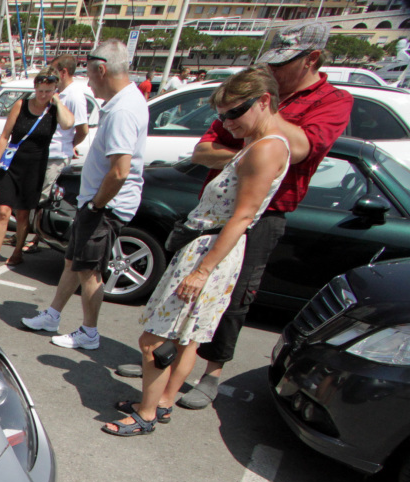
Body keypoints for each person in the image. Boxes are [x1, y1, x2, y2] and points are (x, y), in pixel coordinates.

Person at [117, 23, 353, 409]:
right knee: (186, 319)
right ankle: (159, 392)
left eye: (284, 62)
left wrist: (256, 147)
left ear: (311, 59)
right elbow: (204, 149)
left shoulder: (325, 103)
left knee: (226, 304)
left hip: (250, 220)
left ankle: (204, 376)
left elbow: (303, 149)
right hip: (216, 221)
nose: (230, 123)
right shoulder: (252, 118)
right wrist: (246, 149)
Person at [103, 68, 293, 436]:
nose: (227, 123)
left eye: (235, 112)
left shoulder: (267, 147)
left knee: (154, 340)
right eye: (222, 115)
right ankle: (161, 403)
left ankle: (144, 414)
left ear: (265, 100)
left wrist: (202, 270)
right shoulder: (264, 143)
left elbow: (242, 217)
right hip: (214, 247)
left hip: (211, 248)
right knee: (188, 334)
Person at [19, 40, 148, 350]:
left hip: (104, 207)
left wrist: (95, 205)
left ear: (102, 69)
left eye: (90, 75)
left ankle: (89, 332)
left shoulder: (123, 110)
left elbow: (119, 171)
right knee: (72, 263)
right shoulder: (123, 102)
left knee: (89, 271)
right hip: (97, 203)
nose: (88, 82)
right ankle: (52, 314)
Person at [0, 69, 74, 272]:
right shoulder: (21, 105)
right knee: (3, 211)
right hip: (11, 165)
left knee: (23, 214)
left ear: (54, 91)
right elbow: (5, 135)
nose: (43, 95)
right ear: (35, 88)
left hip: (35, 167)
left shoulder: (54, 110)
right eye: (40, 90)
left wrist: (57, 102)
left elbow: (69, 124)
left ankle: (17, 253)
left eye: (48, 91)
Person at [25, 54, 90, 254]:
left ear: (63, 72)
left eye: (54, 71)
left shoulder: (74, 96)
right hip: (44, 151)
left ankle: (37, 237)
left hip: (56, 155)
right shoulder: (57, 93)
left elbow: (82, 129)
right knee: (35, 195)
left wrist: (70, 145)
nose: (51, 75)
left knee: (44, 198)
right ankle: (29, 233)